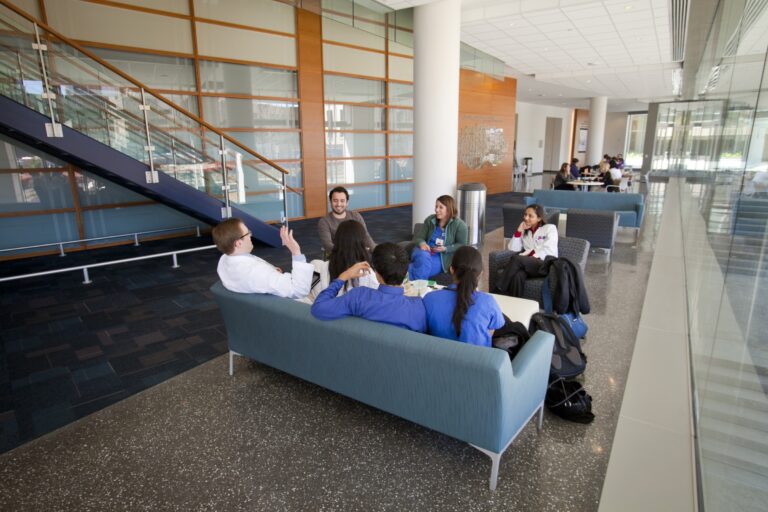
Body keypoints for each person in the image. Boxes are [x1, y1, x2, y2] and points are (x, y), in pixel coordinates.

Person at [311, 243, 427, 332]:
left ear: (376, 274)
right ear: (405, 272)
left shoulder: (358, 297)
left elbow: (318, 308)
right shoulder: (419, 308)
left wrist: (343, 277)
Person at [423, 246, 504, 347]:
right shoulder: (488, 302)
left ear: (452, 269)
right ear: (481, 273)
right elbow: (490, 332)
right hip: (478, 361)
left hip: (436, 359)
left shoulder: (429, 299)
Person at [212, 217, 313, 299]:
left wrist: (272, 271)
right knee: (319, 267)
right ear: (238, 243)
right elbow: (299, 291)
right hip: (294, 305)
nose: (251, 235)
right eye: (248, 233)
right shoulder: (256, 272)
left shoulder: (224, 260)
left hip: (267, 291)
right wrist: (296, 252)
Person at [304, 220, 379, 303]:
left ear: (336, 240)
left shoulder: (318, 267)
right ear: (362, 244)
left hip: (319, 311)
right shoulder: (367, 273)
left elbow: (305, 293)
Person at [495, 204, 558, 297]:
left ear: (539, 218)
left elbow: (548, 248)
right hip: (529, 265)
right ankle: (516, 303)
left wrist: (528, 258)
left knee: (517, 259)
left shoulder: (550, 228)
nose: (526, 218)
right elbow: (513, 248)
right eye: (525, 215)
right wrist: (519, 231)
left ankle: (498, 289)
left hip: (544, 264)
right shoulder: (525, 231)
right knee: (518, 276)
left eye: (530, 216)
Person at [409, 195, 468, 281]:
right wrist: (422, 243)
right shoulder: (430, 220)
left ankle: (406, 281)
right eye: (436, 206)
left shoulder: (460, 225)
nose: (437, 210)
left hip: (440, 257)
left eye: (441, 207)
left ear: (449, 209)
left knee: (416, 267)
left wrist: (446, 248)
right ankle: (417, 289)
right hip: (423, 251)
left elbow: (462, 245)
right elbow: (418, 238)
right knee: (423, 256)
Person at [318, 186, 376, 255]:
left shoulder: (356, 216)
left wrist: (376, 251)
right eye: (335, 201)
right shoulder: (324, 222)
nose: (339, 204)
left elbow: (365, 236)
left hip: (357, 253)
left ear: (347, 202)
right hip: (337, 255)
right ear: (330, 201)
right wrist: (351, 252)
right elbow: (328, 245)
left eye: (342, 201)